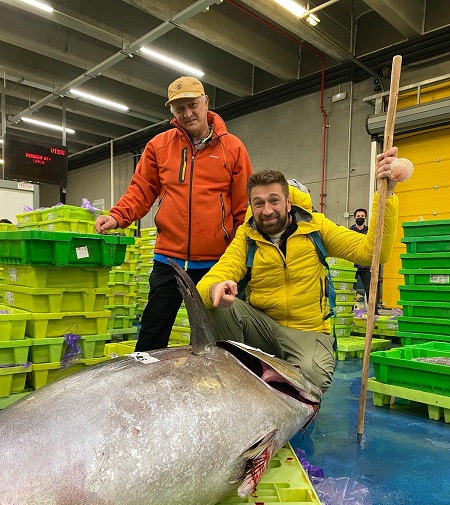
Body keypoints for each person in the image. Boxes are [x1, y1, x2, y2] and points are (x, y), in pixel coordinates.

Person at [196, 150, 402, 392]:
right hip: (263, 328)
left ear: (288, 202)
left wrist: (386, 194)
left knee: (314, 379)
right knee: (219, 306)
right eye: (259, 203)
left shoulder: (315, 228)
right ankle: (238, 384)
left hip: (307, 331)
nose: (267, 210)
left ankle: (278, 378)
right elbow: (215, 276)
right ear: (251, 206)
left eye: (274, 200)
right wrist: (214, 288)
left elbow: (373, 252)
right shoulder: (247, 237)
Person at [95, 76, 252, 351]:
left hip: (216, 262)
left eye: (192, 105)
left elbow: (243, 207)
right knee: (152, 332)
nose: (187, 113)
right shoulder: (159, 146)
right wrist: (118, 216)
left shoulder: (233, 148)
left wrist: (245, 257)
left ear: (205, 102)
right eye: (180, 108)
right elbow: (141, 189)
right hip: (169, 259)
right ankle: (143, 376)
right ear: (172, 112)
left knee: (217, 337)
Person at [349, 207, 379, 313]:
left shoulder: (370, 232)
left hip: (366, 265)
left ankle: (374, 313)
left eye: (362, 216)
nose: (360, 218)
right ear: (354, 218)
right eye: (358, 216)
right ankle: (348, 311)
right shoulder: (349, 232)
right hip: (353, 265)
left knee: (371, 290)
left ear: (365, 218)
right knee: (350, 290)